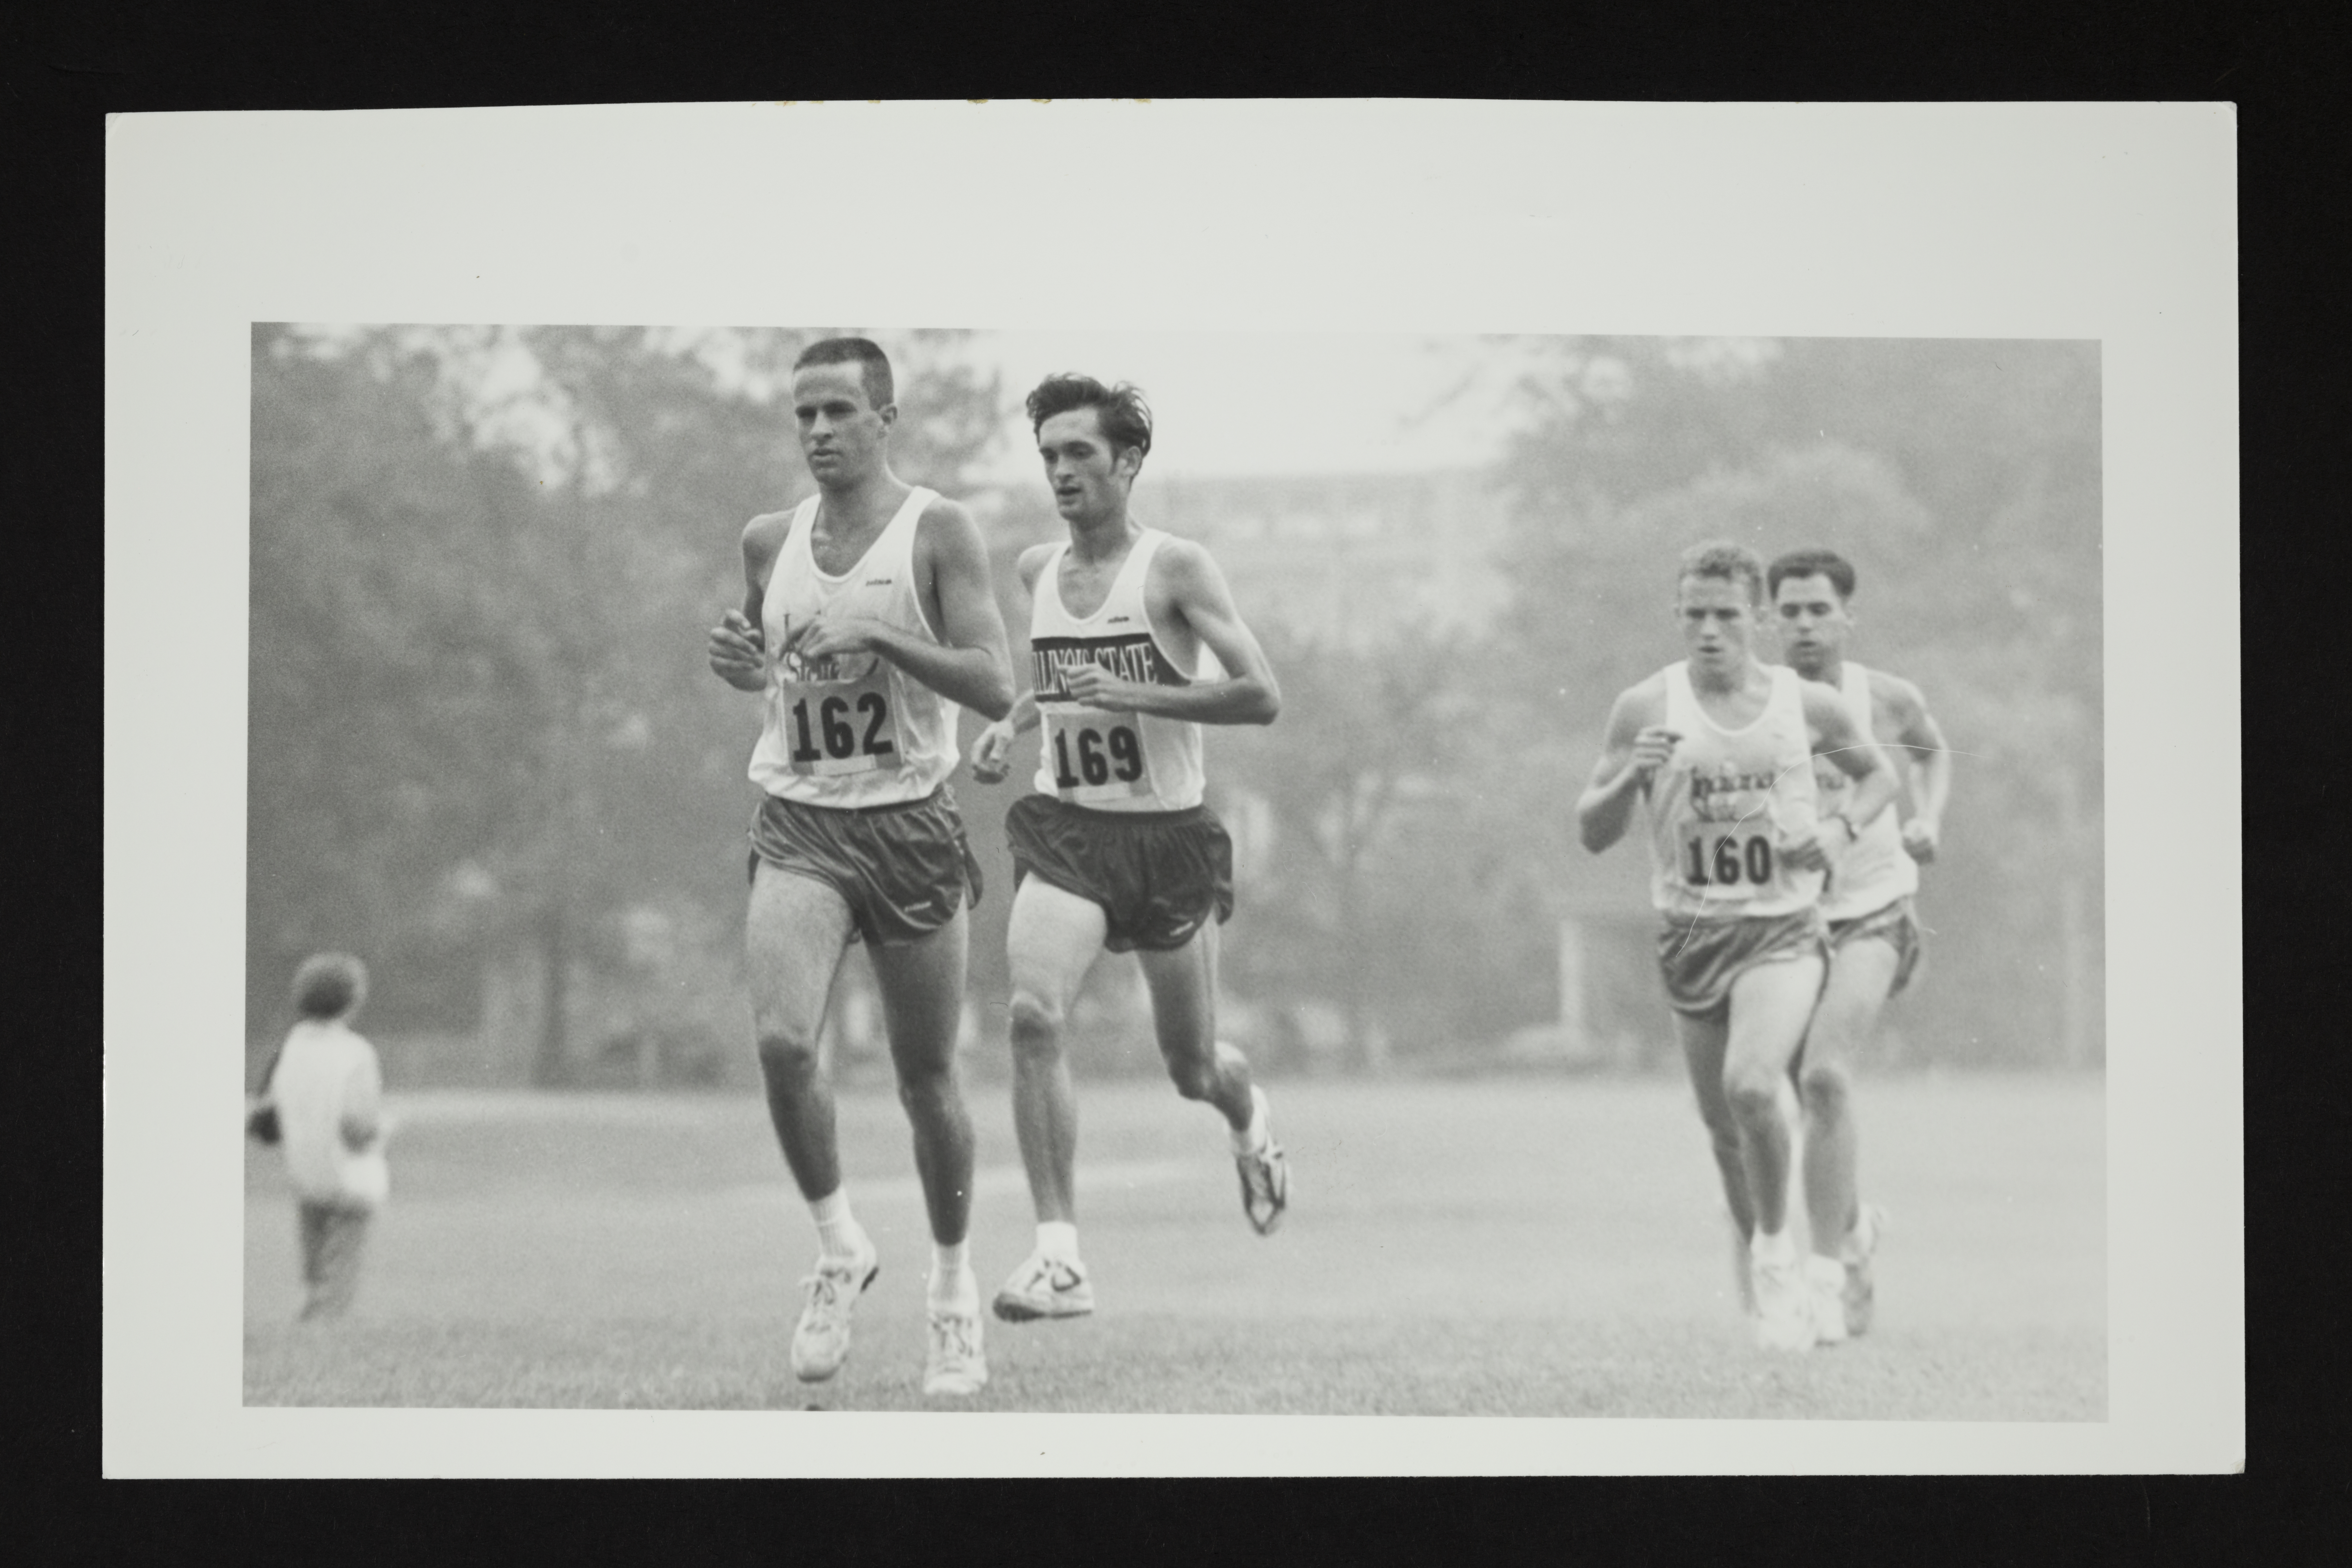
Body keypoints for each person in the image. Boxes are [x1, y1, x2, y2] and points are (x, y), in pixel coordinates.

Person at [704, 336, 1015, 1398]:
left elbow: (993, 682)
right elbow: (770, 657)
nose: (821, 431)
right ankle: (839, 1248)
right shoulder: (766, 540)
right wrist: (746, 663)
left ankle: (952, 1297)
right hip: (799, 822)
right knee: (785, 1044)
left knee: (927, 1079)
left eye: (840, 411)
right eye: (806, 415)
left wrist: (888, 638)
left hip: (913, 825)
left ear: (885, 418)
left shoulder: (938, 531)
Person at [967, 373, 1288, 1326]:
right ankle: (1060, 1257)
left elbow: (1260, 694)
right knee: (1031, 1014)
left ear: (1128, 462)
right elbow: (1061, 682)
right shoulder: (1033, 571)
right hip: (1070, 829)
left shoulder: (1176, 569)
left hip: (1167, 840)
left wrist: (1141, 692)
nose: (1062, 472)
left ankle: (1250, 1120)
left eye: (1080, 454)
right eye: (1050, 456)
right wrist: (1013, 723)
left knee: (1192, 1066)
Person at [1576, 541, 1898, 1352]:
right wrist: (1627, 777)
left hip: (1783, 931)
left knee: (1755, 1087)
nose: (1709, 631)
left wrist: (1834, 829)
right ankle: (1767, 1254)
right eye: (1694, 615)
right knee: (1725, 1130)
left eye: (1725, 615)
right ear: (1676, 616)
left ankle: (1784, 1270)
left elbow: (1878, 777)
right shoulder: (1644, 707)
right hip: (1689, 935)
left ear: (1754, 617)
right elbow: (1591, 830)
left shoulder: (1804, 705)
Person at [1768, 547, 1953, 1342]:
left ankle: (1827, 1279)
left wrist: (1926, 816)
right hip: (1781, 919)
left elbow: (1934, 752)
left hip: (1874, 907)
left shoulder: (1884, 697)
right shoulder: (1755, 701)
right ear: (1770, 618)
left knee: (1825, 1077)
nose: (1805, 624)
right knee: (1802, 1097)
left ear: (1848, 617)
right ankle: (1852, 1239)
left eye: (1819, 609)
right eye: (1790, 610)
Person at [246, 953, 391, 1322]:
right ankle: (325, 1322)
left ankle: (309, 1315)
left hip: (305, 1172)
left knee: (314, 1263)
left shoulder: (289, 1049)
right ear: (353, 999)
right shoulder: (356, 1053)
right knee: (340, 1264)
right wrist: (384, 1130)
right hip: (349, 1177)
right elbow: (358, 1126)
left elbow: (266, 1117)